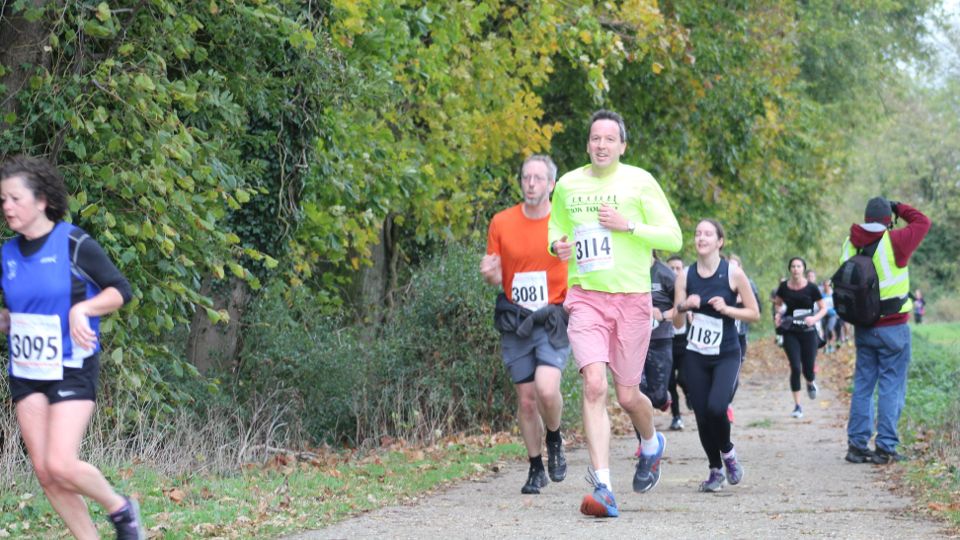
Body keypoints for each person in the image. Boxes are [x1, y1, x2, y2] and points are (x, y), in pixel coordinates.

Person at [0, 156, 143, 539]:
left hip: (71, 364)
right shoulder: (7, 254)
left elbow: (120, 291)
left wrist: (84, 308)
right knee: (45, 472)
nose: (7, 207)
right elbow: (17, 314)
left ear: (41, 200)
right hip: (28, 371)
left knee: (61, 463)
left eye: (14, 199)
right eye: (3, 201)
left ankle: (121, 507)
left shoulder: (73, 242)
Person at [548, 109, 681, 517]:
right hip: (586, 296)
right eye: (595, 138)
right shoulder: (568, 184)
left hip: (631, 299)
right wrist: (558, 246)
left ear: (622, 145)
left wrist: (629, 226)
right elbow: (555, 228)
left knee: (627, 395)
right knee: (593, 386)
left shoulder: (640, 181)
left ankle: (651, 441)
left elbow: (673, 238)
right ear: (587, 144)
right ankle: (603, 486)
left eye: (609, 138)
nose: (601, 144)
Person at [481, 154, 569, 494]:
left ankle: (555, 437)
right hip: (516, 318)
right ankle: (535, 467)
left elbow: (582, 264)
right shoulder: (501, 222)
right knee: (527, 399)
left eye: (538, 178)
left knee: (547, 388)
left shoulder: (564, 223)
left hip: (552, 316)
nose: (530, 184)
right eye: (525, 177)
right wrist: (491, 274)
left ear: (551, 185)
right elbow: (496, 272)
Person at [673, 219, 760, 492]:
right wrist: (685, 306)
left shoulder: (733, 273)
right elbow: (676, 323)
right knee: (701, 414)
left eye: (708, 234)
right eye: (698, 233)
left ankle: (728, 453)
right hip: (695, 353)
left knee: (716, 408)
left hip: (726, 353)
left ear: (719, 242)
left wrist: (727, 309)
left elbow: (754, 313)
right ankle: (715, 470)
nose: (701, 238)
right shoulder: (685, 275)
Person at [843, 198, 930, 465]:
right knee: (891, 386)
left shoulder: (850, 243)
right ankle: (885, 447)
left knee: (863, 386)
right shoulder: (894, 241)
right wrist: (899, 206)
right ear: (888, 220)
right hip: (893, 328)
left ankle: (857, 446)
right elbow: (923, 221)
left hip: (864, 328)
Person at [774, 257, 827, 419]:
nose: (796, 269)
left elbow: (823, 308)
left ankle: (810, 382)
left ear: (803, 269)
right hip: (791, 331)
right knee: (795, 368)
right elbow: (777, 303)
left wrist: (814, 319)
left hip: (808, 331)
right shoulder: (784, 287)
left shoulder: (811, 288)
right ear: (790, 269)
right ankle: (797, 406)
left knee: (808, 369)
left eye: (799, 266)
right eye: (793, 266)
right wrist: (778, 314)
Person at [636, 253, 676, 450]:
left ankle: (664, 398)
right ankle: (645, 442)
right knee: (635, 393)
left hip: (660, 339)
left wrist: (663, 314)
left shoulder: (665, 274)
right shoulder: (628, 270)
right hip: (633, 341)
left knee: (657, 396)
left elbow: (681, 308)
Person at [725, 254, 760, 424]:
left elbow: (755, 309)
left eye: (734, 265)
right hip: (721, 334)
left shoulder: (748, 283)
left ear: (740, 268)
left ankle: (728, 405)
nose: (731, 269)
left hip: (739, 334)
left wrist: (739, 299)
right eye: (728, 265)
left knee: (734, 372)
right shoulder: (719, 281)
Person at [666, 255, 690, 431]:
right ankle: (676, 417)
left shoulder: (689, 288)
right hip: (665, 340)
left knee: (683, 377)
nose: (674, 272)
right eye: (671, 268)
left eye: (678, 268)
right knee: (669, 382)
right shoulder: (662, 288)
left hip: (685, 340)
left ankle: (690, 394)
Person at [821, 280, 839, 353]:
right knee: (825, 331)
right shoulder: (822, 295)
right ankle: (826, 347)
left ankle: (831, 344)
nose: (826, 286)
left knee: (829, 328)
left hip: (833, 315)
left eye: (828, 285)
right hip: (823, 315)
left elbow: (838, 305)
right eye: (825, 285)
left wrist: (837, 313)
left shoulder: (834, 294)